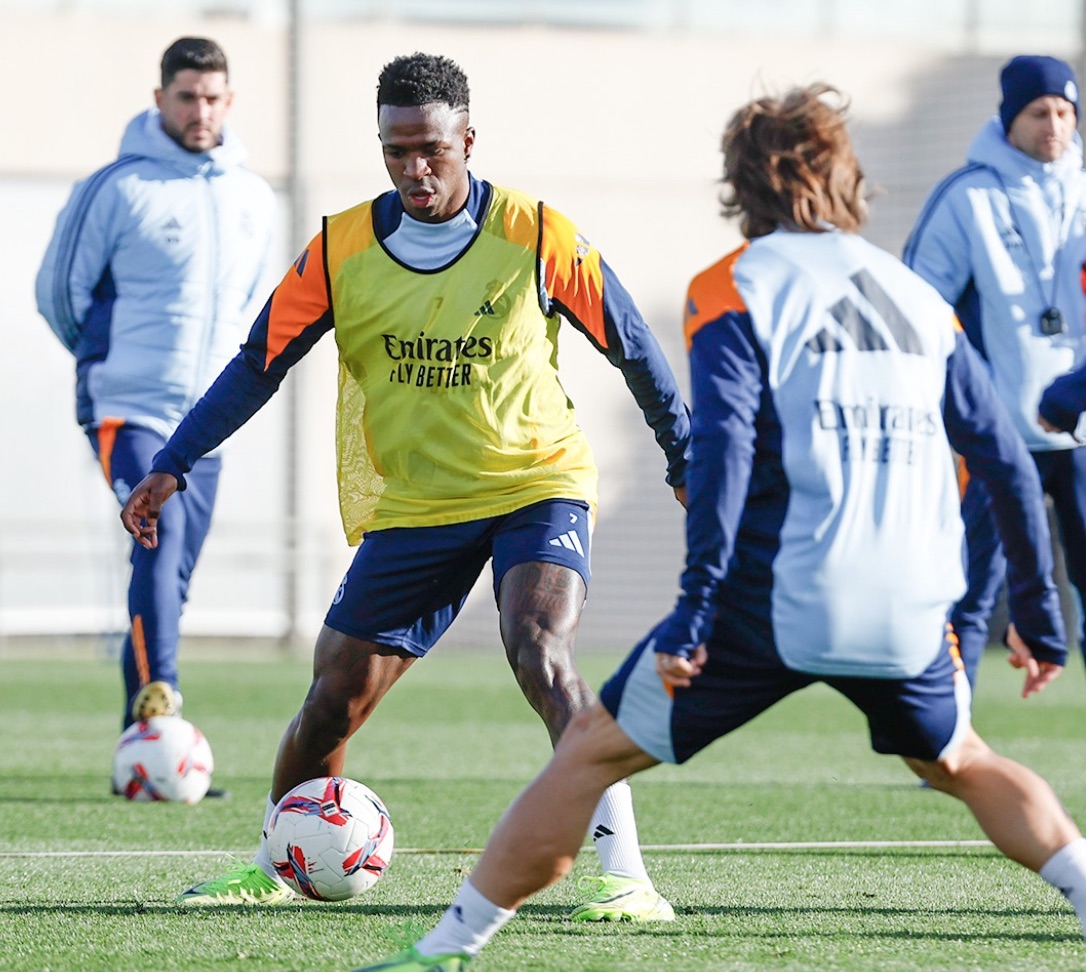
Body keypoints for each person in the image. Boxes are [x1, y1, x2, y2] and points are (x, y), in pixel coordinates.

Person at [351, 83, 1086, 972]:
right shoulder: (916, 297)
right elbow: (1007, 458)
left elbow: (724, 454)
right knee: (961, 761)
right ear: (845, 178)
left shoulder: (733, 287)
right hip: (908, 604)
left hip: (776, 599)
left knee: (587, 754)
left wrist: (695, 611)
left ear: (741, 184)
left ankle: (442, 950)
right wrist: (1041, 616)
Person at [119, 52, 690, 918]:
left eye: (431, 148)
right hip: (419, 502)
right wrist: (172, 462)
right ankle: (277, 863)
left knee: (539, 646)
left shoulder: (537, 233)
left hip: (536, 483)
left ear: (469, 137)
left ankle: (625, 876)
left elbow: (635, 346)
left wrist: (685, 458)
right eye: (395, 151)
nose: (415, 169)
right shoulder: (342, 247)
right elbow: (256, 365)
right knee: (330, 701)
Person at [35, 37, 276, 781]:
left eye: (212, 98)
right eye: (185, 97)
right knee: (156, 538)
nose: (199, 110)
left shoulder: (253, 197)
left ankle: (136, 747)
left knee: (169, 578)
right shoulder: (115, 187)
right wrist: (105, 359)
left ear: (228, 102)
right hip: (126, 406)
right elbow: (59, 294)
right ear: (159, 99)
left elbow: (245, 307)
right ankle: (161, 711)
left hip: (204, 420)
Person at [904, 54, 1086, 687]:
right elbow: (920, 309)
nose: (1055, 125)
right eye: (1040, 112)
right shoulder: (967, 197)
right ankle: (953, 734)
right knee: (970, 589)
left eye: (1066, 112)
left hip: (1081, 432)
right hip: (994, 432)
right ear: (1010, 118)